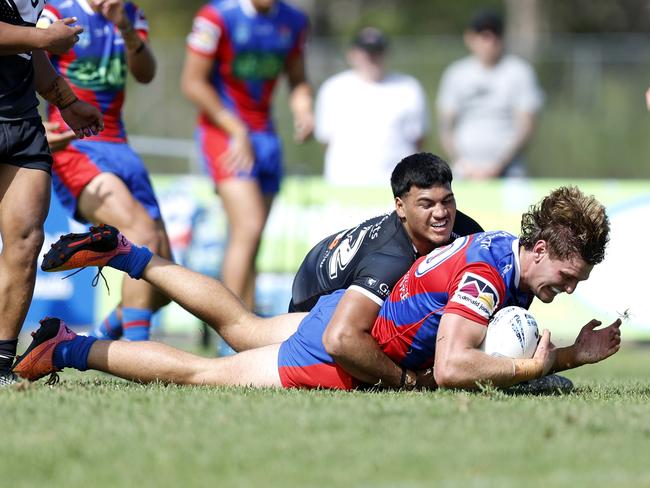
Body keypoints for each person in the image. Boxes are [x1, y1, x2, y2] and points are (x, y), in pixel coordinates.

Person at [15, 187, 621, 391]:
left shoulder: (498, 249)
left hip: (351, 312)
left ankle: (130, 254)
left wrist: (569, 356)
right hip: (345, 347)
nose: (566, 290)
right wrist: (530, 372)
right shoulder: (488, 276)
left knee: (243, 325)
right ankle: (65, 347)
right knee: (202, 373)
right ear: (540, 250)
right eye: (567, 277)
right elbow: (456, 366)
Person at [38, 0, 172, 341]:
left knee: (165, 280)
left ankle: (94, 339)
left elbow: (146, 73)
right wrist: (36, 123)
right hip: (76, 145)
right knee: (141, 232)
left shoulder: (129, 12)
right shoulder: (56, 12)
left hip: (121, 146)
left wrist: (125, 28)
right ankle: (139, 355)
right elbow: (24, 65)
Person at [289, 152, 483, 387]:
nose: (441, 213)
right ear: (400, 207)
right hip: (309, 300)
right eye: (427, 204)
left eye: (447, 200)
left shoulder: (466, 232)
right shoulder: (390, 261)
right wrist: (409, 380)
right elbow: (341, 339)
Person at [181, 0, 314, 310]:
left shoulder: (293, 21)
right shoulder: (216, 18)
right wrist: (235, 129)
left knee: (250, 238)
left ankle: (247, 325)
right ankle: (228, 327)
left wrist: (303, 106)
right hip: (224, 133)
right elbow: (192, 82)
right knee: (249, 225)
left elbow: (298, 79)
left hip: (266, 136)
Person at [0, 3, 103, 386]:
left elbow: (28, 49)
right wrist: (44, 36)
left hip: (22, 124)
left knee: (26, 242)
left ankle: (0, 366)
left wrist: (66, 101)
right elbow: (33, 37)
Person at [436, 9, 543, 179]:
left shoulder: (519, 72)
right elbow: (446, 126)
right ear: (470, 38)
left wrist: (499, 165)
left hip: (509, 169)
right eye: (483, 35)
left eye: (494, 35)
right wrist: (461, 163)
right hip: (465, 171)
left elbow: (526, 124)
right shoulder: (456, 73)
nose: (489, 42)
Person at [316, 27, 430, 186]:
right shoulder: (333, 89)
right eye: (366, 52)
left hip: (395, 187)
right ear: (352, 54)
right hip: (344, 184)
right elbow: (324, 139)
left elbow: (418, 138)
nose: (372, 57)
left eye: (378, 51)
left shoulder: (409, 87)